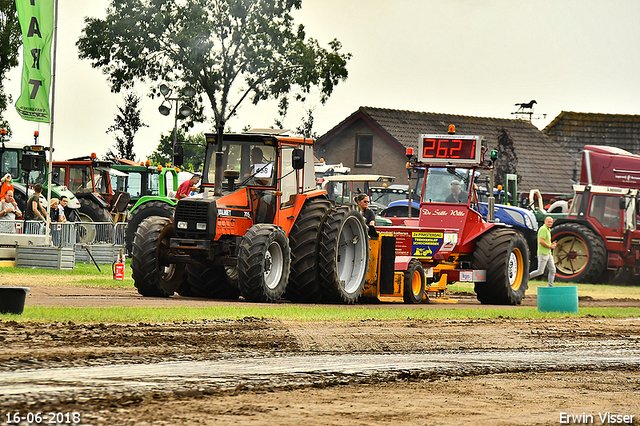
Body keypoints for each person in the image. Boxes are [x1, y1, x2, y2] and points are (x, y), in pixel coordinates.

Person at [529, 216, 557, 287]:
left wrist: (551, 244)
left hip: (548, 253)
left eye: (551, 222)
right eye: (549, 222)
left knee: (553, 270)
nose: (550, 223)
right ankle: (526, 278)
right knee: (540, 271)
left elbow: (545, 241)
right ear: (545, 222)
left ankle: (551, 286)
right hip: (543, 253)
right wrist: (550, 246)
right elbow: (541, 241)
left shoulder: (548, 230)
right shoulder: (543, 229)